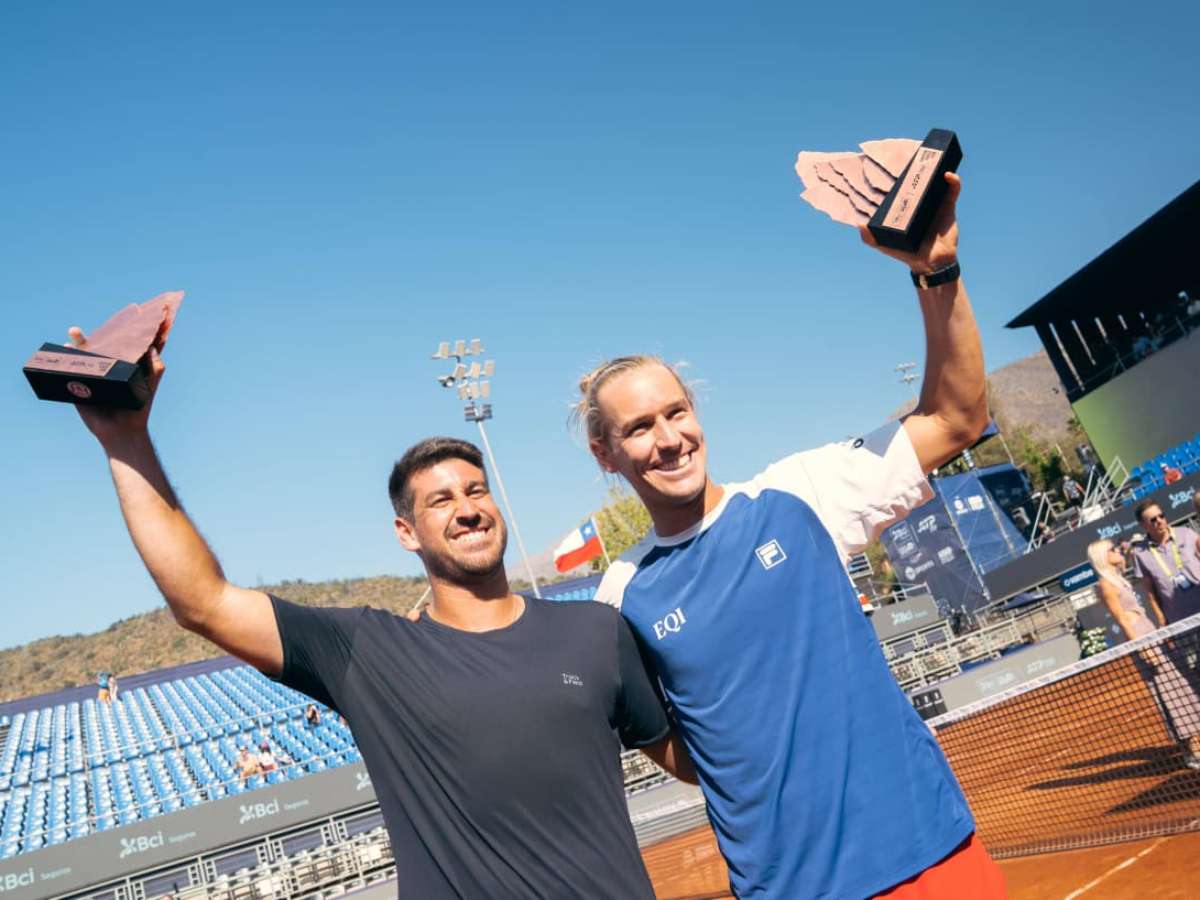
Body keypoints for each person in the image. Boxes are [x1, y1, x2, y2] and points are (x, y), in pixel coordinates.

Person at [64, 335, 692, 898]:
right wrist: (125, 440)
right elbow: (202, 601)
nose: (467, 509)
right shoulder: (366, 652)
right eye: (440, 501)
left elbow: (691, 764)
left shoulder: (595, 631)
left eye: (476, 491)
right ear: (406, 533)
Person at [581, 173, 1005, 898]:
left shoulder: (797, 494)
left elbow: (956, 419)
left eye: (677, 412)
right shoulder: (622, 595)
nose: (670, 439)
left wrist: (938, 272)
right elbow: (669, 743)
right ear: (606, 454)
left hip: (929, 852)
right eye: (639, 427)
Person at [1088, 539, 1200, 768]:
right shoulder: (1106, 585)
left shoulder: (1117, 579)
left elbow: (1132, 555)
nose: (1117, 551)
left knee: (1179, 686)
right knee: (1169, 691)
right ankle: (1193, 751)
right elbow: (1122, 620)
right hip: (1140, 638)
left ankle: (1189, 748)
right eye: (1112, 550)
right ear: (1102, 557)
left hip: (1149, 632)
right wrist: (1143, 648)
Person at [1131, 501, 1200, 624]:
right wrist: (1161, 618)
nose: (1159, 521)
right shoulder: (1139, 553)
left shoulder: (1186, 533)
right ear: (1143, 525)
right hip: (1180, 618)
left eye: (1161, 516)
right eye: (1153, 520)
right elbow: (1150, 593)